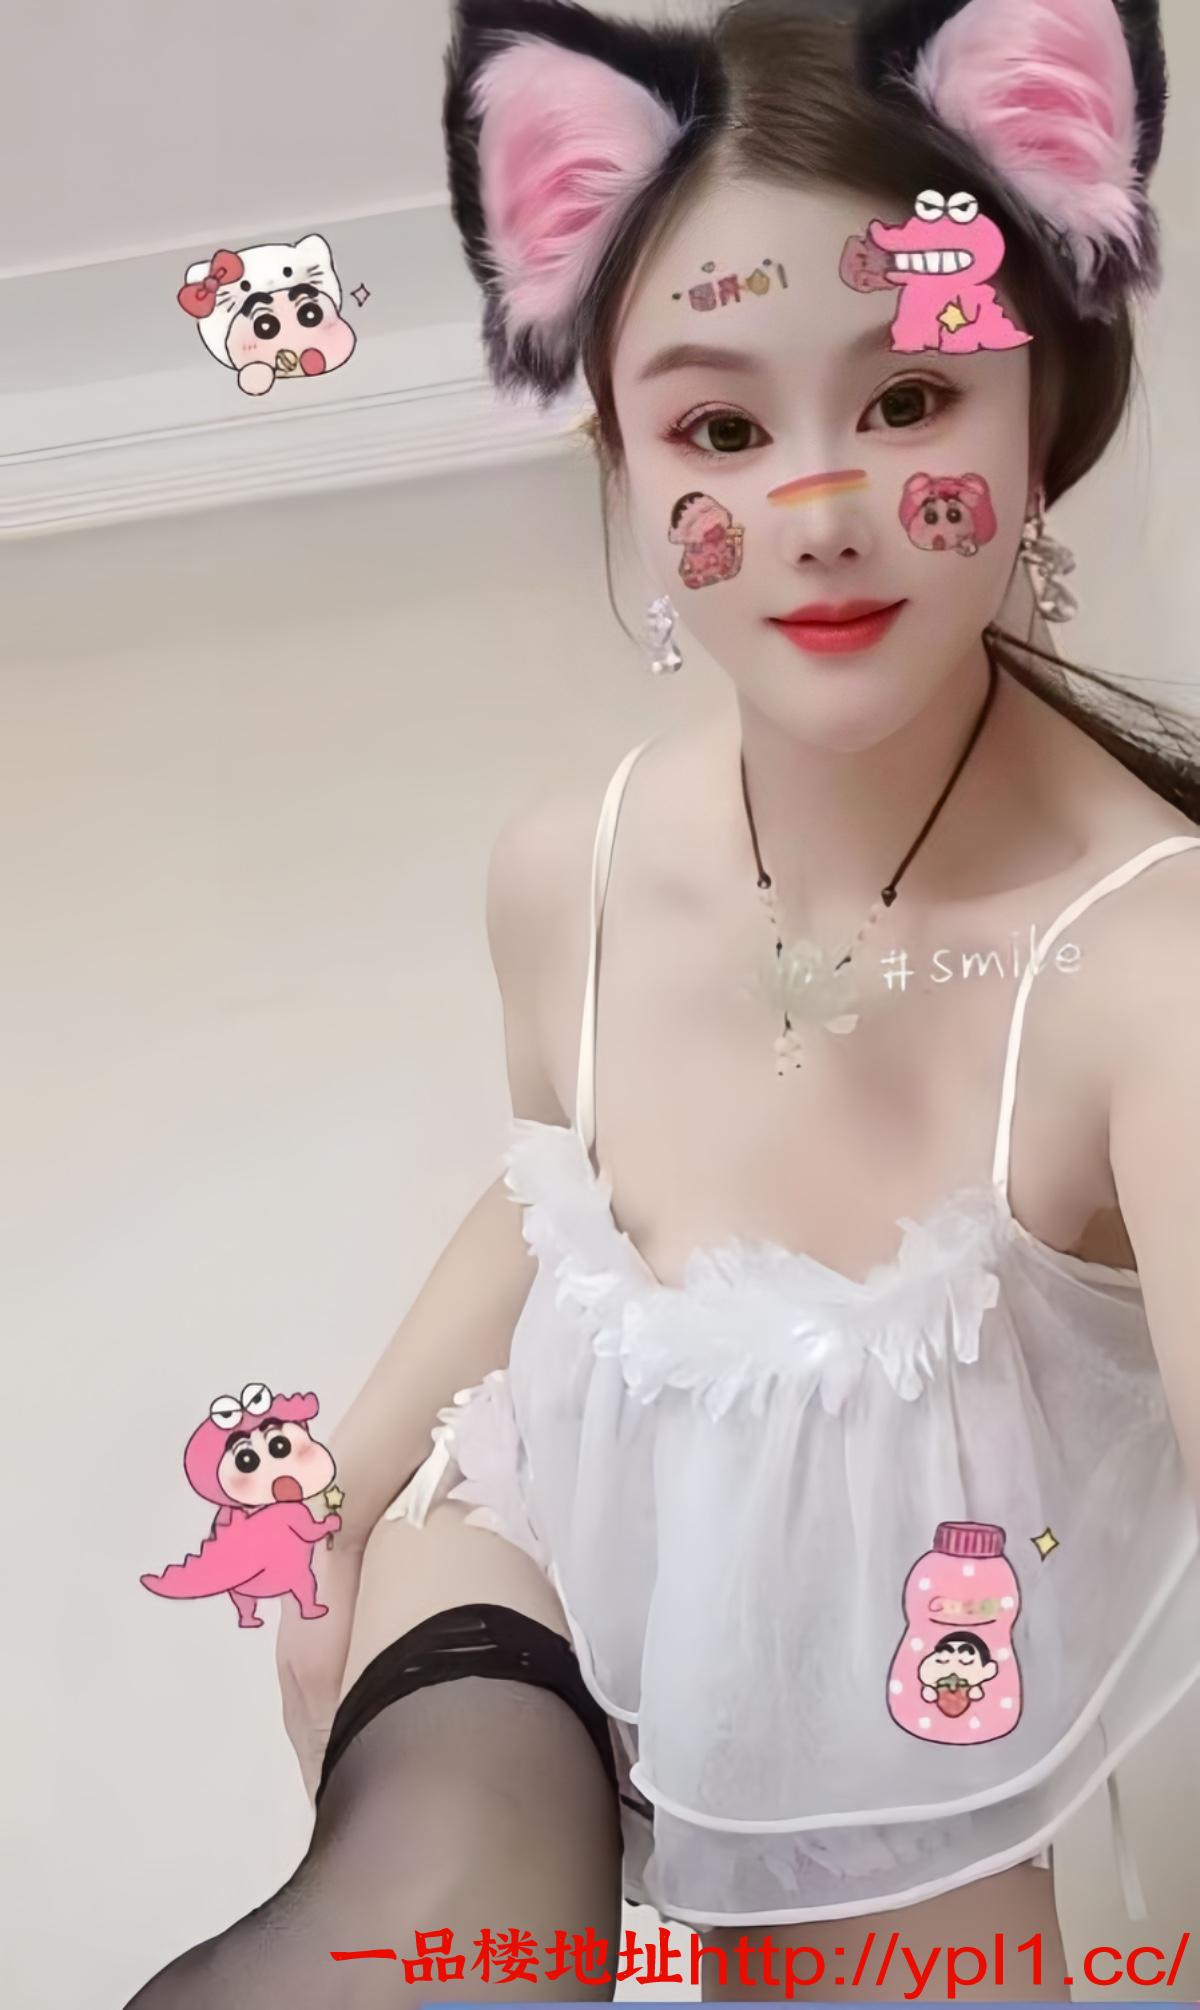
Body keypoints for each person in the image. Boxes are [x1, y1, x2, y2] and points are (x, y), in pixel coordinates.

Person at [125, 0, 1200, 2002]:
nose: (818, 506)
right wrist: (340, 1487)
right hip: (541, 1530)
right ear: (615, 449)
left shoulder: (1152, 966)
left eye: (909, 397)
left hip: (908, 1676)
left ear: (1041, 398)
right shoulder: (575, 861)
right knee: (423, 1933)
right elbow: (563, 1187)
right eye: (719, 429)